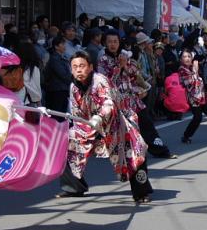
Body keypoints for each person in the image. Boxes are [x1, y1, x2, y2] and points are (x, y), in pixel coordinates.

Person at [59, 51, 153, 203]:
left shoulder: (99, 80)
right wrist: (81, 128)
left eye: (82, 66)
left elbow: (109, 103)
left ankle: (141, 192)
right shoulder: (73, 87)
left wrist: (99, 117)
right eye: (75, 67)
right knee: (67, 142)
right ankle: (73, 187)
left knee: (135, 154)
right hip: (90, 125)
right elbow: (77, 112)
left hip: (117, 122)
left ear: (90, 67)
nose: (78, 70)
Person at [44, 36, 72, 114]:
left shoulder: (62, 57)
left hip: (62, 89)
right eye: (62, 44)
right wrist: (73, 79)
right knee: (57, 114)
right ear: (56, 46)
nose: (64, 46)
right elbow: (63, 75)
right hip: (57, 90)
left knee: (62, 114)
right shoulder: (54, 59)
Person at [13, 38, 43, 106]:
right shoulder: (32, 69)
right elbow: (35, 90)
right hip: (25, 102)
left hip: (11, 100)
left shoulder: (12, 67)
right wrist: (39, 104)